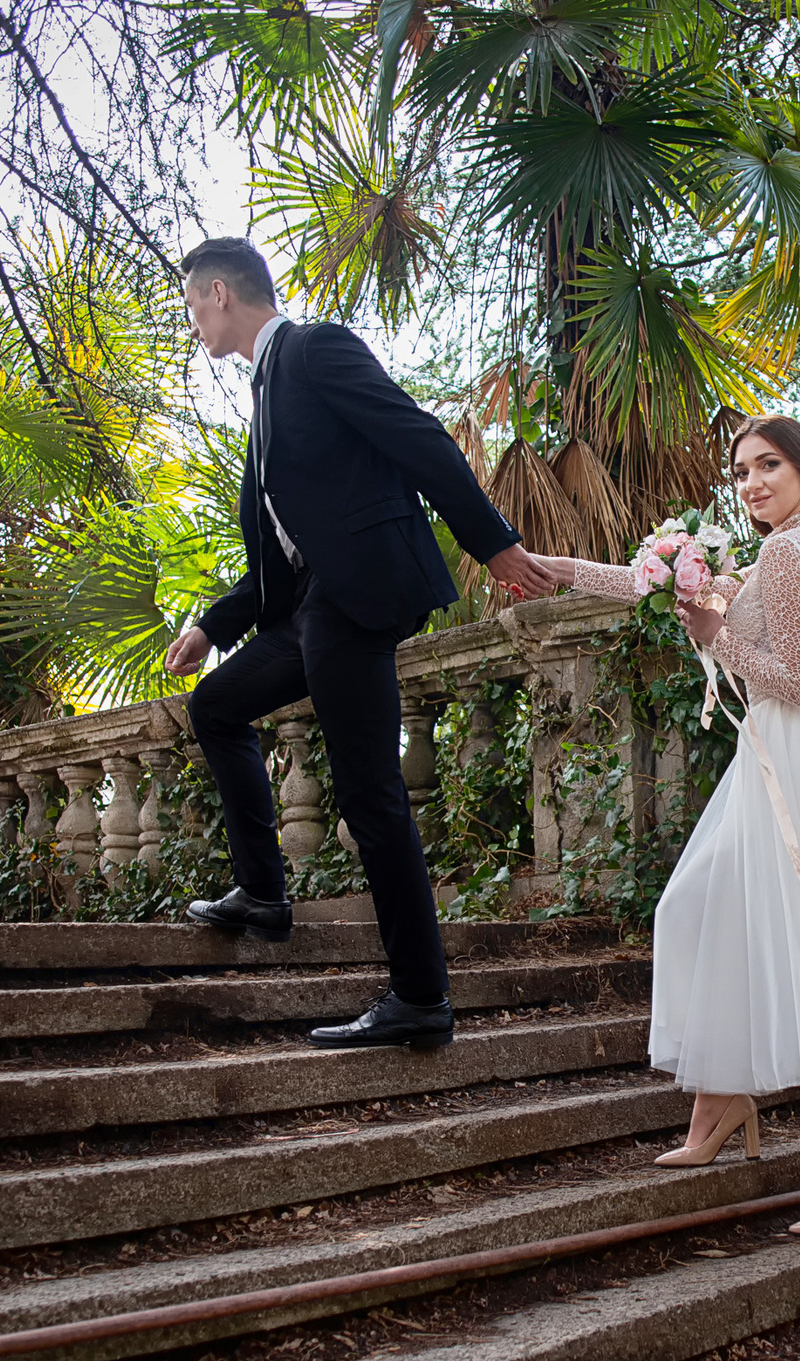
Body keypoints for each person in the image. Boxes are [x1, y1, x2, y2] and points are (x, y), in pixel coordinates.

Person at [526, 417, 800, 1235]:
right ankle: (724, 1097)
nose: (752, 482)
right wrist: (548, 567)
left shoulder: (794, 551)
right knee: (707, 911)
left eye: (769, 465)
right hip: (782, 754)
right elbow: (648, 584)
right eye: (740, 472)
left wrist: (715, 636)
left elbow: (798, 680)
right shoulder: (787, 550)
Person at [159, 238, 567, 1050]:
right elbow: (280, 553)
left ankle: (420, 995)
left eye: (191, 307)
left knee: (370, 792)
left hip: (357, 599)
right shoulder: (265, 398)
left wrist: (492, 543)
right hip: (312, 607)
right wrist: (214, 622)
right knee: (218, 705)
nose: (193, 323)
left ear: (218, 292)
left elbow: (420, 439)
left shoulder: (315, 349)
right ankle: (263, 894)